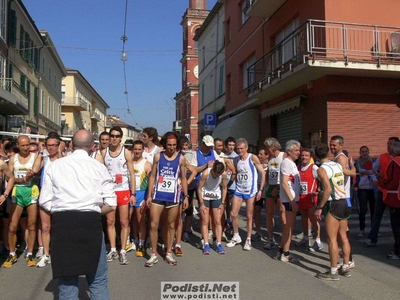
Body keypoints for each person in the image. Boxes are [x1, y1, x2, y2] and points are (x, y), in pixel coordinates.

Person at [39, 129, 117, 299]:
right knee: (98, 282)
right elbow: (111, 203)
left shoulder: (55, 166)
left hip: (63, 223)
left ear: (71, 145)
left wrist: (61, 208)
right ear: (93, 147)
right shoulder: (99, 168)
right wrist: (95, 210)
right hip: (91, 222)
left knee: (68, 285)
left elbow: (44, 201)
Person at [145, 132, 191, 267]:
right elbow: (153, 176)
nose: (171, 148)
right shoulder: (158, 156)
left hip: (173, 196)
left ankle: (169, 252)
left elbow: (183, 178)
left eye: (174, 145)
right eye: (169, 145)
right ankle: (154, 254)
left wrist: (186, 196)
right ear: (165, 145)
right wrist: (149, 195)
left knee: (171, 225)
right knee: (154, 224)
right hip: (158, 195)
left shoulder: (181, 158)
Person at [315, 143, 351, 280]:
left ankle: (333, 271)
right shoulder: (336, 165)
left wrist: (319, 207)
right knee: (343, 236)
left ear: (316, 156)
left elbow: (328, 190)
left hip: (333, 203)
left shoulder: (322, 169)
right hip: (343, 201)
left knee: (331, 239)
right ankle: (346, 267)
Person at [2, 135, 38, 268]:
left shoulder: (35, 157)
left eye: (27, 145)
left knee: (32, 225)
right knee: (12, 226)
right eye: (22, 145)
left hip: (31, 191)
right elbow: (9, 178)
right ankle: (12, 254)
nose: (25, 147)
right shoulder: (13, 159)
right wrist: (21, 179)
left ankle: (29, 253)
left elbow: (37, 172)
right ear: (18, 145)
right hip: (18, 192)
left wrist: (33, 174)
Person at [102, 126, 136, 265]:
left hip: (123, 190)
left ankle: (123, 250)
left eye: (117, 136)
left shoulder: (126, 152)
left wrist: (133, 193)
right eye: (112, 136)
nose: (114, 138)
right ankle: (113, 249)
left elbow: (132, 174)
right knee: (110, 222)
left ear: (121, 138)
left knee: (124, 222)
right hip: (109, 192)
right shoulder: (104, 152)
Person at [227, 138, 266, 251]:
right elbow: (236, 173)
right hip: (239, 189)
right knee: (233, 213)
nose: (239, 151)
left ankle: (248, 239)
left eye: (241, 149)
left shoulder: (252, 157)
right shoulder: (236, 160)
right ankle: (236, 235)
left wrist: (260, 190)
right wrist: (229, 184)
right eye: (238, 149)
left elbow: (263, 173)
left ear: (246, 148)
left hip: (251, 191)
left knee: (249, 216)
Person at [32, 132, 63, 268]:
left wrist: (61, 152)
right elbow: (34, 169)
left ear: (58, 145)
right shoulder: (44, 158)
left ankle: (59, 253)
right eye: (48, 145)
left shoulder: (64, 159)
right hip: (45, 196)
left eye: (53, 145)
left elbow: (64, 168)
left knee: (59, 228)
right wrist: (40, 153)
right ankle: (46, 254)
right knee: (45, 227)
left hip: (59, 197)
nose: (50, 148)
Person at [365, 137, 399, 246]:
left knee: (395, 220)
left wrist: (381, 181)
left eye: (392, 144)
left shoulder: (397, 160)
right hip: (382, 191)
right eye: (388, 143)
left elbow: (394, 180)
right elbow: (373, 170)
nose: (390, 146)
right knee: (377, 215)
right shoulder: (382, 157)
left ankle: (397, 245)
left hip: (394, 194)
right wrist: (376, 179)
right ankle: (372, 238)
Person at [276, 140, 300, 262]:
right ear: (289, 151)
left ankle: (281, 250)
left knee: (288, 226)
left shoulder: (291, 163)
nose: (298, 153)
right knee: (289, 227)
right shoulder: (287, 163)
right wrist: (292, 201)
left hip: (292, 198)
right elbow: (285, 183)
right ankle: (285, 253)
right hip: (290, 199)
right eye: (296, 150)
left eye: (299, 150)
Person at [197, 161, 227, 255]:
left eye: (218, 174)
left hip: (216, 197)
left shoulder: (223, 174)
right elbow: (199, 188)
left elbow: (225, 188)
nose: (216, 175)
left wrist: (222, 202)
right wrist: (201, 203)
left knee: (217, 221)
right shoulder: (206, 173)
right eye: (215, 173)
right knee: (205, 221)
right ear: (213, 169)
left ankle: (218, 243)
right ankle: (206, 243)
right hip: (205, 197)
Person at [296, 148, 322, 251]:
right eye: (302, 155)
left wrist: (318, 190)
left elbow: (323, 180)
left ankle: (318, 241)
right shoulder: (297, 168)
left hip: (311, 198)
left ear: (310, 157)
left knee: (313, 219)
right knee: (304, 218)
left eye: (306, 155)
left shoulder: (314, 168)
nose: (304, 157)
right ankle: (306, 238)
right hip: (301, 197)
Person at [378, 141, 400, 260]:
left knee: (397, 226)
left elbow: (393, 182)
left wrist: (381, 182)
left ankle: (398, 251)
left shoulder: (395, 162)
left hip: (396, 198)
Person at [263, 137, 286, 250]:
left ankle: (284, 238)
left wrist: (279, 186)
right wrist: (266, 184)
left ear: (273, 146)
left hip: (280, 187)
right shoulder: (270, 157)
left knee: (282, 213)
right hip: (271, 186)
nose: (267, 150)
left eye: (268, 147)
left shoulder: (284, 156)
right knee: (269, 213)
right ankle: (270, 238)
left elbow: (288, 172)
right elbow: (268, 171)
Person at [130, 140, 152, 257]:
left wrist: (149, 195)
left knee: (140, 220)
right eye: (135, 149)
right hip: (130, 192)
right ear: (133, 149)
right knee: (132, 219)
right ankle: (135, 240)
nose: (137, 151)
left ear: (143, 150)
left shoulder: (146, 163)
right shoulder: (129, 162)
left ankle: (142, 243)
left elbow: (151, 180)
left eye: (139, 149)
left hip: (141, 193)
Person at [355, 146, 376, 237]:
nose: (364, 153)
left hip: (372, 189)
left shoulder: (373, 162)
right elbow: (357, 174)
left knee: (373, 210)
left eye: (366, 151)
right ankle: (361, 229)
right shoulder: (357, 163)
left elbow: (374, 172)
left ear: (368, 152)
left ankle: (374, 229)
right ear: (360, 153)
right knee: (362, 210)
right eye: (362, 151)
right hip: (362, 189)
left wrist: (368, 172)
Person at [253, 147, 269, 242]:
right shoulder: (256, 164)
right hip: (258, 190)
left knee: (269, 212)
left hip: (267, 191)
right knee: (257, 210)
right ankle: (258, 231)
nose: (259, 155)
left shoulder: (272, 164)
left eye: (261, 154)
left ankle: (269, 233)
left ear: (267, 155)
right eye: (258, 154)